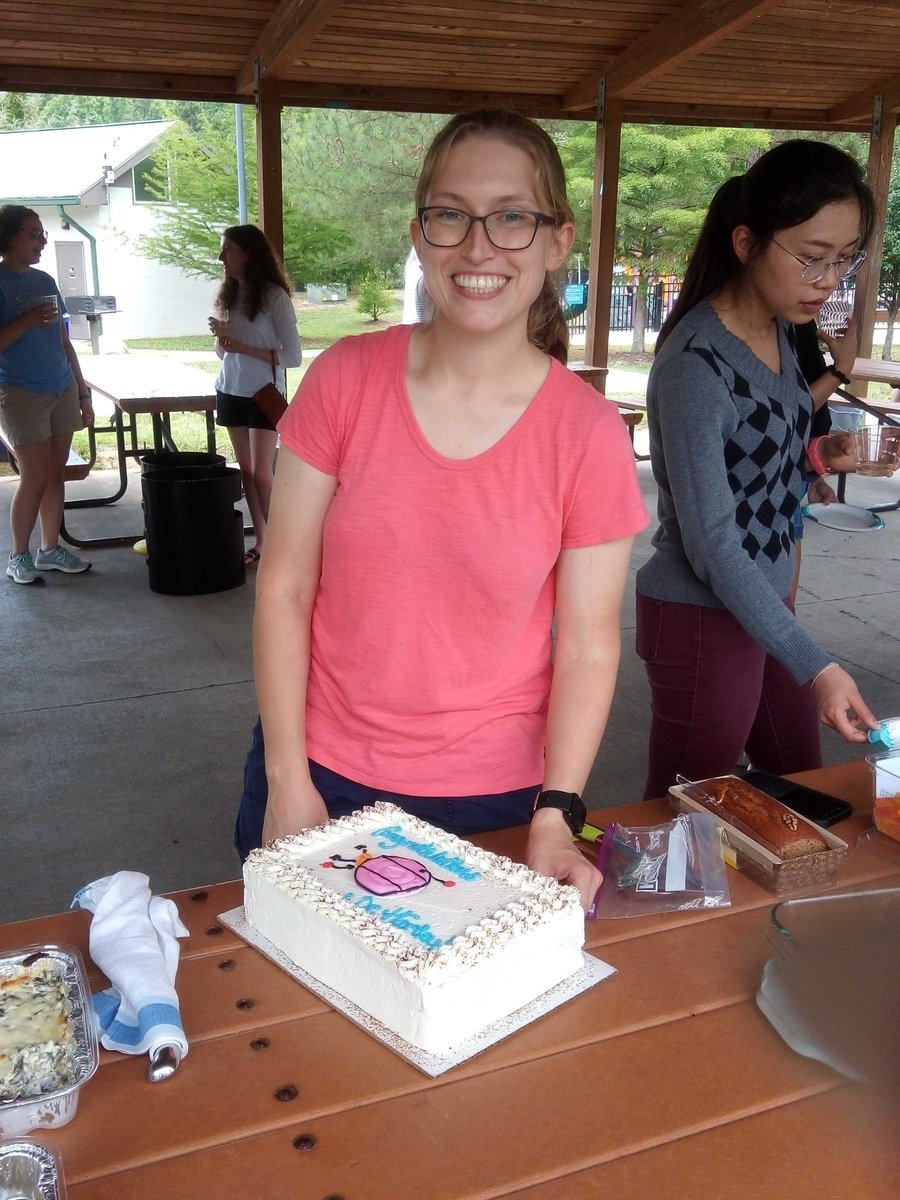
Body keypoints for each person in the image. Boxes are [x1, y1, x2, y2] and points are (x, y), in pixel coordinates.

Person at [245, 109, 648, 909]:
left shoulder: (587, 432)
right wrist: (288, 780)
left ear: (556, 241)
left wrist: (556, 810)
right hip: (319, 769)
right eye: (451, 215)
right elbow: (283, 587)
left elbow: (590, 647)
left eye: (512, 218)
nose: (479, 246)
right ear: (420, 233)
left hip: (498, 795)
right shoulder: (345, 381)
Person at [635, 139, 880, 800]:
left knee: (806, 788)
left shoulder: (778, 330)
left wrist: (817, 457)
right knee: (682, 811)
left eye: (842, 259)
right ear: (746, 242)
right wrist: (817, 663)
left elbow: (762, 473)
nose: (827, 280)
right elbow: (713, 544)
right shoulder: (695, 367)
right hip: (701, 619)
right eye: (810, 256)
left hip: (767, 607)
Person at [0, 205, 93, 585]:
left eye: (43, 232)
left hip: (62, 386)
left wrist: (82, 391)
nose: (42, 240)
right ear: (9, 238)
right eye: (33, 233)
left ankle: (50, 549)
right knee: (34, 476)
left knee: (55, 475)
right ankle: (18, 555)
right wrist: (24, 320)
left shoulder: (45, 281)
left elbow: (63, 340)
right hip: (21, 392)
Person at [208, 224, 303, 568]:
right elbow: (224, 355)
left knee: (263, 473)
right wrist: (221, 338)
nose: (222, 257)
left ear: (248, 253)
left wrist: (245, 347)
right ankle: (262, 541)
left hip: (264, 393)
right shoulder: (229, 295)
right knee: (247, 471)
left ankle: (285, 546)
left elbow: (293, 356)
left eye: (228, 250)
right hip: (230, 388)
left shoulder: (274, 296)